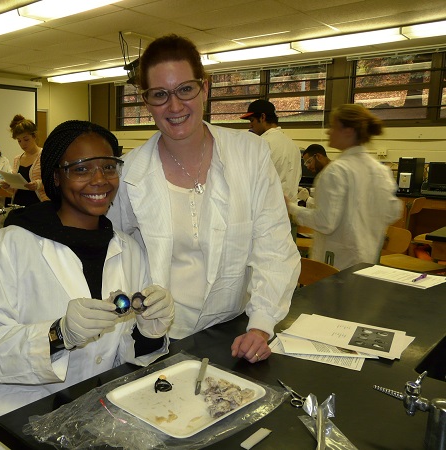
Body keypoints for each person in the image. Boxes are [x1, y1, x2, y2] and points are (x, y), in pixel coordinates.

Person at [0, 120, 174, 449]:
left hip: (92, 417)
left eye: (108, 166)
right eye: (81, 168)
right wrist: (57, 335)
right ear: (56, 177)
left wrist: (149, 332)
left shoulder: (128, 250)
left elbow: (122, 355)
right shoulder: (10, 245)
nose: (99, 179)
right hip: (13, 419)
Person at [107, 34, 300, 364]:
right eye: (160, 94)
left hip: (233, 332)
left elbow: (274, 248)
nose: (175, 105)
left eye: (185, 89)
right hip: (156, 338)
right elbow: (113, 258)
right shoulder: (128, 173)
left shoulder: (249, 155)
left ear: (205, 88)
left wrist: (261, 326)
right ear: (146, 101)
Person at [287, 104, 402, 270]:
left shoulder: (336, 171)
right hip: (366, 259)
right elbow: (392, 212)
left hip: (335, 263)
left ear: (348, 131)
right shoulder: (381, 170)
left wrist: (291, 208)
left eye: (333, 127)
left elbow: (325, 222)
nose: (328, 131)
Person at [241, 99, 302, 202]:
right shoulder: (294, 146)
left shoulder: (262, 144)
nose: (250, 125)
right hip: (288, 211)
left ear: (262, 117)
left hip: (267, 210)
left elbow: (249, 181)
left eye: (252, 120)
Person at [0, 114, 47, 206]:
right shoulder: (17, 159)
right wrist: (8, 186)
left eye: (26, 139)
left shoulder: (45, 155)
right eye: (19, 141)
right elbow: (15, 189)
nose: (22, 144)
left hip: (39, 205)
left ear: (34, 136)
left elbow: (54, 180)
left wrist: (38, 184)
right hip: (19, 205)